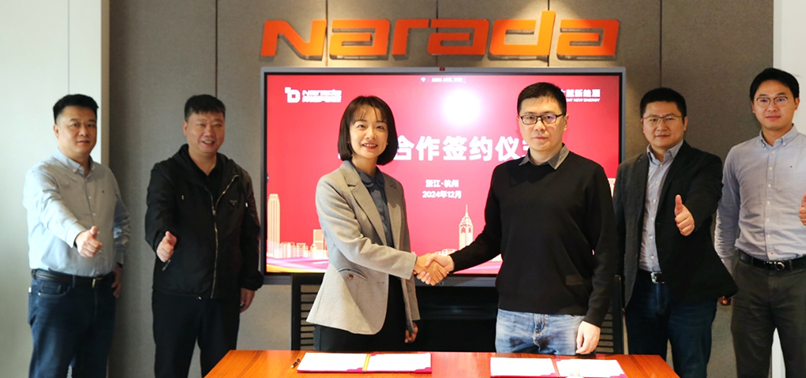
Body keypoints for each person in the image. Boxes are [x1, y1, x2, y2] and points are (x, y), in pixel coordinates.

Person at [426, 82, 616, 355]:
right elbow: (491, 240)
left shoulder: (588, 174)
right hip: (512, 317)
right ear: (519, 123)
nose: (539, 126)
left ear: (565, 121)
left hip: (569, 318)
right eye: (529, 117)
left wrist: (595, 317)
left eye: (548, 117)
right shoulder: (504, 175)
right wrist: (452, 261)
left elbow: (607, 250)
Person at [715, 68, 806, 378]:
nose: (772, 107)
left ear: (796, 102)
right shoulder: (738, 155)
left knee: (803, 369)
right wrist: (723, 273)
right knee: (750, 370)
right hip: (748, 278)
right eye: (764, 100)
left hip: (801, 279)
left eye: (781, 99)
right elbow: (727, 217)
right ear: (753, 106)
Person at [614, 88, 737, 378]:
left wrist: (691, 214)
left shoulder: (704, 163)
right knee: (644, 372)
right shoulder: (628, 170)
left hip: (689, 291)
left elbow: (706, 195)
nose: (661, 125)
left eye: (669, 118)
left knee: (691, 370)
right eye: (653, 119)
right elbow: (618, 230)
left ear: (685, 122)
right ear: (643, 124)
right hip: (640, 291)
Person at [307, 95, 446, 352]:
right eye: (361, 125)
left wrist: (410, 314)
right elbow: (355, 248)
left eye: (380, 127)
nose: (371, 134)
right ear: (347, 134)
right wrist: (415, 262)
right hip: (346, 314)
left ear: (388, 137)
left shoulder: (394, 188)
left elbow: (402, 248)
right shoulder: (332, 185)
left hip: (391, 313)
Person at [145, 95, 263, 377]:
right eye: (201, 124)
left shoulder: (238, 177)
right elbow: (157, 213)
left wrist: (248, 281)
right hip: (176, 295)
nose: (209, 132)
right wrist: (161, 241)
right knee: (170, 370)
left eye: (217, 124)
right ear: (186, 127)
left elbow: (250, 232)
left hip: (223, 295)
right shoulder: (167, 172)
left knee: (221, 372)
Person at [24, 94, 131, 378]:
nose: (84, 131)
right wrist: (78, 236)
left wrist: (118, 261)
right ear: (57, 130)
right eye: (75, 124)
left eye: (91, 124)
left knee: (93, 372)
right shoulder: (41, 174)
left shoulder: (105, 175)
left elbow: (121, 220)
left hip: (101, 292)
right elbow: (52, 211)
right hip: (57, 293)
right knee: (50, 373)